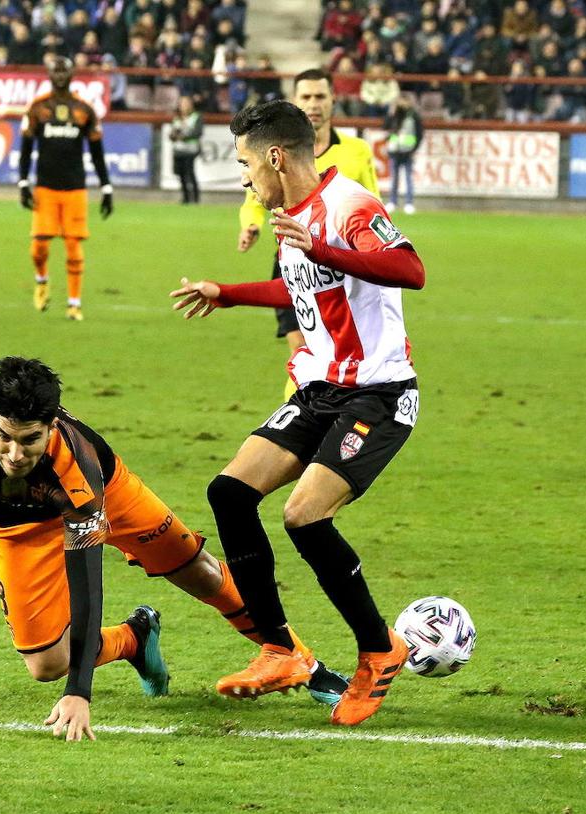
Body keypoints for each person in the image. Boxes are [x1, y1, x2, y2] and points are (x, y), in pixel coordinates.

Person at [0, 357, 349, 741]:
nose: (14, 453)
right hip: (18, 532)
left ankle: (305, 662)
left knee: (198, 572)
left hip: (113, 496)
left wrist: (79, 693)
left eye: (30, 440)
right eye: (5, 436)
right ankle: (136, 637)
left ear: (51, 426)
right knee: (46, 664)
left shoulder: (76, 469)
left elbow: (88, 587)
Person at [170, 100, 426, 726]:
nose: (244, 176)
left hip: (378, 394)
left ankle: (378, 649)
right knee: (229, 492)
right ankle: (279, 649)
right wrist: (226, 293)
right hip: (319, 390)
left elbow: (409, 269)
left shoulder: (350, 206)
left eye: (245, 162)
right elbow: (300, 286)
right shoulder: (292, 218)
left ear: (275, 157)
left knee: (304, 517)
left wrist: (327, 249)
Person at [237, 68, 379, 399]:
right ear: (295, 101)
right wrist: (251, 225)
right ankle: (296, 422)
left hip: (342, 265)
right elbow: (253, 200)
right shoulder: (273, 151)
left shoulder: (357, 151)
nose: (313, 104)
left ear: (333, 100)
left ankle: (313, 424)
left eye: (320, 96)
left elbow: (374, 203)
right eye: (306, 97)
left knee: (337, 351)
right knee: (304, 349)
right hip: (291, 263)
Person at [18, 55, 113, 323]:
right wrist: (23, 181)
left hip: (75, 189)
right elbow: (25, 148)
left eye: (64, 71)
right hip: (45, 187)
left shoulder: (84, 109)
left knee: (73, 245)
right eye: (55, 71)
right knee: (39, 247)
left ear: (72, 74)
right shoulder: (37, 108)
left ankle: (74, 304)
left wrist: (106, 186)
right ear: (49, 74)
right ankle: (42, 280)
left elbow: (97, 152)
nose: (60, 75)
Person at [384, 95, 422, 214]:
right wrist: (391, 113)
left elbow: (419, 133)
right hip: (395, 150)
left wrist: (414, 148)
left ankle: (409, 203)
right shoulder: (394, 115)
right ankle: (392, 202)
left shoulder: (413, 116)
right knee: (394, 178)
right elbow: (385, 126)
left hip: (407, 151)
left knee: (408, 178)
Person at [168, 94, 203, 204]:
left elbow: (198, 132)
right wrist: (174, 135)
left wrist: (184, 136)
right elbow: (172, 135)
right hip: (178, 150)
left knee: (190, 173)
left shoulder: (196, 117)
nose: (184, 106)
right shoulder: (176, 118)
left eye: (186, 103)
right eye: (182, 104)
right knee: (181, 174)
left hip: (191, 150)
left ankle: (195, 198)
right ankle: (185, 198)